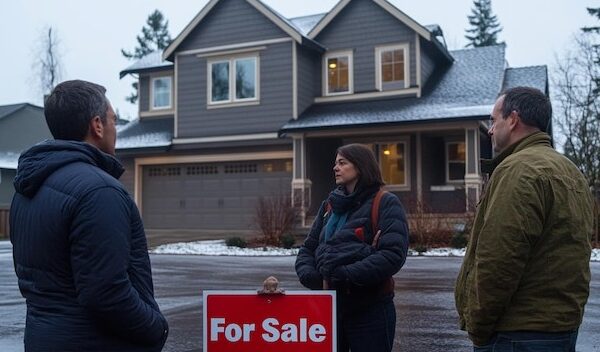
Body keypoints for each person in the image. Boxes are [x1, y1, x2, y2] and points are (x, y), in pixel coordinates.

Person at [10, 80, 169, 351]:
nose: (114, 129)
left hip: (43, 339)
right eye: (112, 120)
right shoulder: (100, 191)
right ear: (97, 125)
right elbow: (107, 292)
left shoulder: (26, 190)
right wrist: (155, 328)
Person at [455, 86, 594, 351]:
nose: (490, 129)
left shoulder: (518, 170)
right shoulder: (571, 171)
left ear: (513, 119)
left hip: (516, 333)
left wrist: (478, 327)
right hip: (560, 327)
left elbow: (499, 259)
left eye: (494, 120)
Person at [295, 143, 409, 352]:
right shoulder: (329, 206)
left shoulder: (385, 203)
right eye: (335, 163)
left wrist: (345, 274)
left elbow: (392, 255)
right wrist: (315, 278)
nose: (335, 168)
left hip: (370, 312)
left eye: (342, 163)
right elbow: (308, 249)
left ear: (360, 166)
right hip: (330, 310)